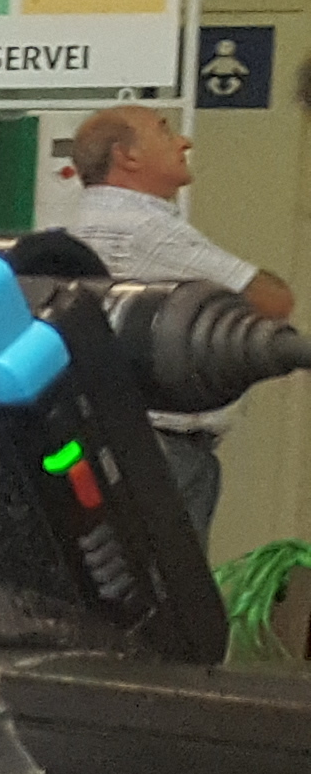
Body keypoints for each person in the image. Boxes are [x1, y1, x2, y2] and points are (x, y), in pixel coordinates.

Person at [61, 103, 292, 539]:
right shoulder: (147, 230)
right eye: (165, 132)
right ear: (127, 156)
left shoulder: (86, 224)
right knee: (171, 578)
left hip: (114, 440)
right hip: (163, 451)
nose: (184, 142)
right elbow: (272, 301)